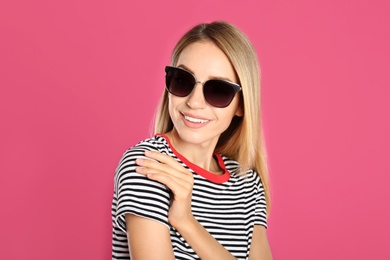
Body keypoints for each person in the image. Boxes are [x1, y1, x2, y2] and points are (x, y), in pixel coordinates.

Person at [112, 21, 272, 260]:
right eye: (182, 80)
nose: (194, 102)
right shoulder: (149, 166)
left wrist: (187, 223)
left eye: (218, 89)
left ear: (241, 105)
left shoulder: (247, 183)